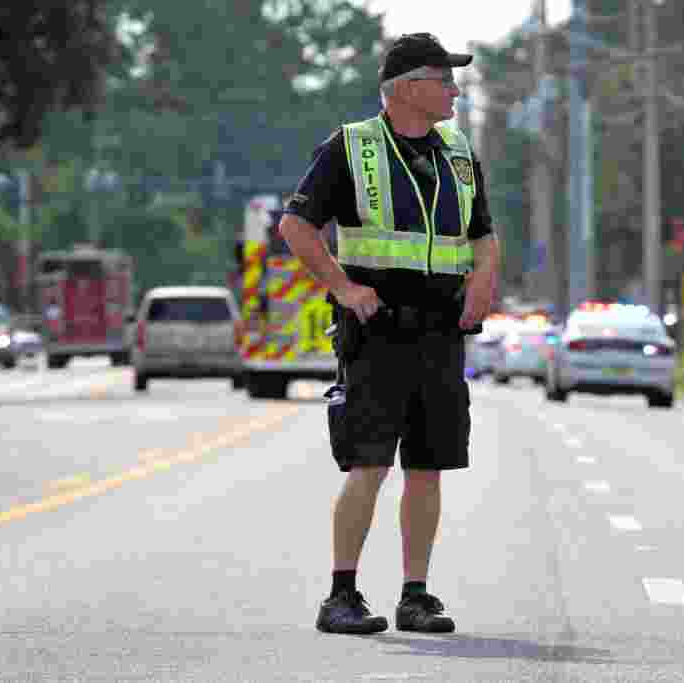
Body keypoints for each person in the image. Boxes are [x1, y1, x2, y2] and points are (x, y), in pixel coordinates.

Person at [279, 32, 499, 635]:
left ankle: (415, 596)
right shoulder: (351, 147)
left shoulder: (458, 151)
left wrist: (484, 279)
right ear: (406, 88)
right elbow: (296, 226)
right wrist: (345, 289)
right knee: (370, 464)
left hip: (441, 332)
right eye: (444, 80)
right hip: (377, 333)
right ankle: (340, 595)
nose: (455, 91)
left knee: (428, 466)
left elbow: (482, 232)